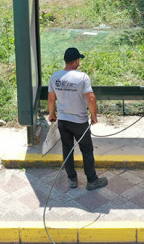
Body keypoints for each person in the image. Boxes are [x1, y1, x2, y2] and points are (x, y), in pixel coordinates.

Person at [48, 48, 108, 191]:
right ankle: (92, 180)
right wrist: (94, 116)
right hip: (79, 122)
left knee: (67, 149)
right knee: (86, 150)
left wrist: (52, 114)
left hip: (63, 121)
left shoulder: (55, 76)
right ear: (76, 61)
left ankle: (72, 180)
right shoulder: (82, 77)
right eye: (79, 60)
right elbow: (91, 98)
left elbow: (51, 98)